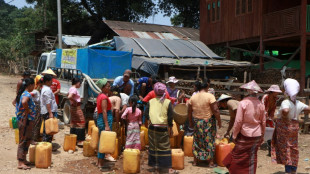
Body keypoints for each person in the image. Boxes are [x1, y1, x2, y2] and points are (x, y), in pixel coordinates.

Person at [223, 80, 266, 174]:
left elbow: (238, 121)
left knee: (237, 156)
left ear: (247, 91)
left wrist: (234, 135)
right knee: (252, 156)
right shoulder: (261, 104)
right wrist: (263, 135)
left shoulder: (243, 103)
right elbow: (263, 121)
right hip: (257, 134)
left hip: (245, 134)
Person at [271, 79, 310, 174]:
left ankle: (288, 171)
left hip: (284, 127)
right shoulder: (298, 103)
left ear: (286, 91)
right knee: (293, 148)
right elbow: (308, 108)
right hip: (294, 127)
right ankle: (293, 170)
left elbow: (285, 110)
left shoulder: (286, 102)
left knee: (285, 148)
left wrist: (285, 118)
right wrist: (305, 113)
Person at [188, 78, 222, 167]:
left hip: (196, 121)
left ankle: (195, 161)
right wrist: (219, 121)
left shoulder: (193, 96)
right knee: (209, 141)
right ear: (207, 86)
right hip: (208, 122)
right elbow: (215, 110)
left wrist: (190, 122)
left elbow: (189, 111)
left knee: (197, 140)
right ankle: (210, 162)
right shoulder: (210, 96)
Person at [144, 82, 176, 173]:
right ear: (164, 91)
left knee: (153, 147)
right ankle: (165, 167)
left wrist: (150, 119)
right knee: (164, 147)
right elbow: (170, 117)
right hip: (163, 128)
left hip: (152, 128)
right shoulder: (167, 102)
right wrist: (170, 128)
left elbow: (146, 114)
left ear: (155, 91)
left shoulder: (151, 101)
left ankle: (155, 167)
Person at [15, 78, 35, 170]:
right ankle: (20, 162)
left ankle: (24, 160)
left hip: (26, 120)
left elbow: (15, 103)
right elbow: (24, 102)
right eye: (33, 85)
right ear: (30, 85)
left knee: (27, 139)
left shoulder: (22, 93)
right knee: (23, 140)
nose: (34, 87)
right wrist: (27, 111)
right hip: (25, 120)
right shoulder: (26, 94)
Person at [95, 78, 114, 168]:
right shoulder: (104, 97)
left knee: (101, 140)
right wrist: (107, 125)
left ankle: (99, 161)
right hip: (104, 119)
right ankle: (100, 163)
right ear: (103, 87)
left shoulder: (100, 96)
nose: (109, 87)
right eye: (108, 86)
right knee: (103, 141)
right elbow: (104, 111)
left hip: (101, 119)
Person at [261, 85, 282, 156]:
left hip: (268, 116)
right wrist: (265, 115)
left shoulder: (275, 99)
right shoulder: (265, 97)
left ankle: (270, 147)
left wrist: (271, 116)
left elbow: (273, 109)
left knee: (271, 130)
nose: (277, 93)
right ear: (272, 91)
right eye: (276, 92)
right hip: (262, 116)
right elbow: (262, 106)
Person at [40, 74, 58, 143]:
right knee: (49, 128)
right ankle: (46, 143)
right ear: (47, 81)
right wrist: (50, 113)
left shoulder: (45, 88)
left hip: (47, 111)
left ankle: (46, 142)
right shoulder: (47, 90)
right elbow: (48, 102)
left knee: (46, 128)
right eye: (51, 81)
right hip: (47, 111)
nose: (52, 83)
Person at [68, 77, 85, 145]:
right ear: (77, 83)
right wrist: (75, 101)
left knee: (74, 122)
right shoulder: (74, 89)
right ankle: (80, 140)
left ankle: (73, 138)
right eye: (80, 84)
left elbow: (68, 95)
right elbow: (69, 96)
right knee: (81, 122)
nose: (80, 85)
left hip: (73, 107)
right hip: (76, 107)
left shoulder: (71, 88)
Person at [31, 75, 43, 142]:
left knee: (38, 123)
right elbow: (28, 95)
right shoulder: (35, 91)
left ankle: (36, 137)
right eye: (40, 83)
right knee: (36, 123)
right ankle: (34, 138)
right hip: (36, 108)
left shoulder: (38, 91)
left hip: (38, 108)